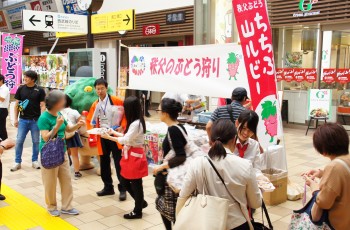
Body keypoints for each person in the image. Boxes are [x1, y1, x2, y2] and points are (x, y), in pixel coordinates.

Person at [180, 119, 262, 230]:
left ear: (211, 140)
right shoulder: (245, 165)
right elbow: (255, 203)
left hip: (206, 222)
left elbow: (183, 195)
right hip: (236, 224)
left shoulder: (197, 163)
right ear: (234, 139)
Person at [37, 90, 84, 217]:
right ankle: (51, 206)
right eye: (63, 100)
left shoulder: (59, 114)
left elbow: (68, 129)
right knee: (50, 182)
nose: (65, 102)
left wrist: (77, 125)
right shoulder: (44, 118)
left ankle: (67, 207)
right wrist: (56, 126)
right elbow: (46, 137)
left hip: (62, 151)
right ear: (56, 103)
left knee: (66, 180)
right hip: (49, 153)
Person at [101, 96, 148, 219]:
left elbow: (125, 139)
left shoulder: (136, 123)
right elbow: (127, 136)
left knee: (135, 182)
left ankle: (138, 210)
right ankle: (140, 202)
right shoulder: (135, 121)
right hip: (131, 154)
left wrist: (109, 137)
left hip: (134, 155)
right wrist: (113, 132)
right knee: (126, 180)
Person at [302, 123, 350, 230]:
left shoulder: (334, 167)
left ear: (323, 151)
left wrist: (313, 186)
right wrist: (321, 173)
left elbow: (324, 202)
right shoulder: (346, 159)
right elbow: (345, 176)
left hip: (338, 224)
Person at [86, 78, 127, 200]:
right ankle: (108, 187)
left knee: (119, 162)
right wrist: (92, 129)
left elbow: (125, 116)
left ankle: (123, 188)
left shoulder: (117, 101)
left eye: (102, 88)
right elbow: (90, 120)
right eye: (97, 89)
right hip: (102, 136)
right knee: (104, 162)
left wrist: (122, 126)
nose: (99, 91)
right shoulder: (95, 104)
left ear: (106, 88)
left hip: (114, 135)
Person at [152, 98, 189, 230]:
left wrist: (162, 166)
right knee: (167, 208)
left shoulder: (173, 130)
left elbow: (181, 156)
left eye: (159, 110)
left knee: (169, 210)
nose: (157, 112)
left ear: (166, 113)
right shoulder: (179, 127)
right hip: (176, 176)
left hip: (173, 178)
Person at [12, 70, 46, 171]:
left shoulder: (40, 90)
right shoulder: (21, 88)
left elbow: (43, 105)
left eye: (27, 77)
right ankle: (17, 162)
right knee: (19, 141)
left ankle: (34, 161)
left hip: (35, 120)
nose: (25, 78)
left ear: (33, 79)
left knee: (36, 141)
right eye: (25, 76)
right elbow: (17, 105)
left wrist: (41, 118)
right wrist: (15, 119)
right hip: (22, 120)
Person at [233, 110, 267, 180]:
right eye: (244, 128)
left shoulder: (254, 145)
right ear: (237, 123)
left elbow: (256, 168)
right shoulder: (228, 142)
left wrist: (260, 177)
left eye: (250, 130)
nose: (246, 133)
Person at [61, 95, 83, 179]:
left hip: (63, 135)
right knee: (75, 155)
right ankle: (77, 172)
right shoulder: (74, 112)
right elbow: (80, 123)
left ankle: (64, 170)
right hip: (73, 135)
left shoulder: (59, 112)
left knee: (64, 153)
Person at [0, 74, 10, 140]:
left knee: (1, 126)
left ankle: (5, 139)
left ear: (1, 80)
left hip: (2, 109)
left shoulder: (5, 88)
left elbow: (2, 99)